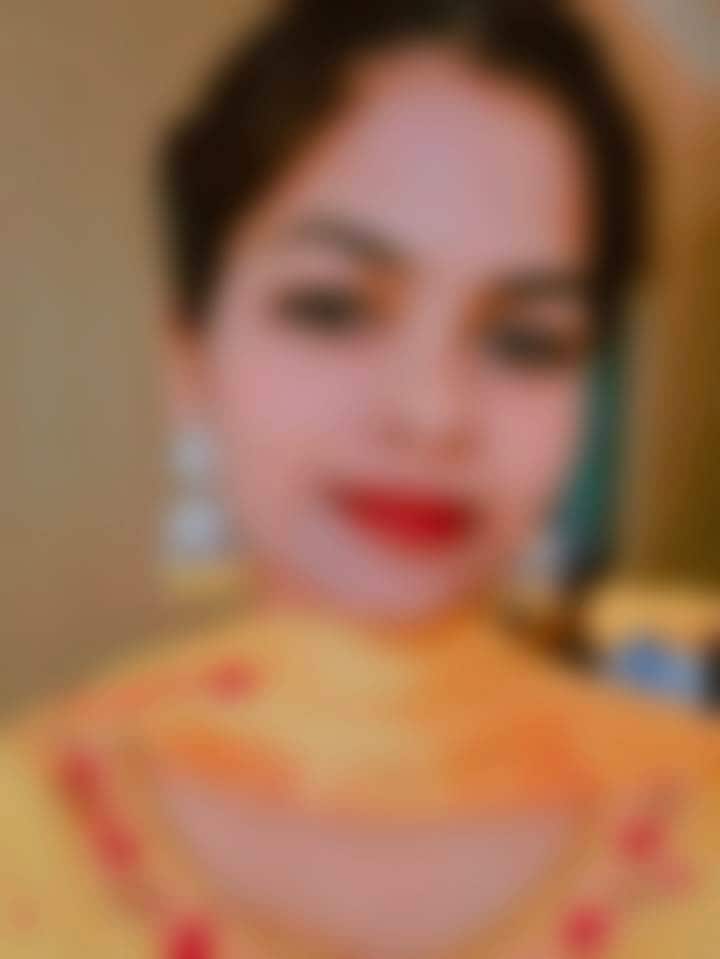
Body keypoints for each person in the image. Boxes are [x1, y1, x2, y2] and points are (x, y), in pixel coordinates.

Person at [1, 2, 717, 957]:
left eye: (526, 339)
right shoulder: (22, 828)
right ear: (192, 356)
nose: (433, 413)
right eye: (333, 307)